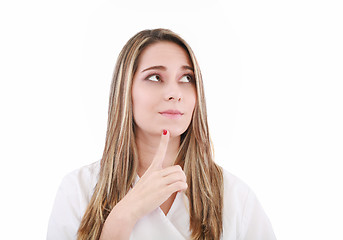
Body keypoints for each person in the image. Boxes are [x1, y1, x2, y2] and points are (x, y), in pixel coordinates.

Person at [47, 28, 276, 240]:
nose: (175, 93)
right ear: (126, 91)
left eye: (187, 78)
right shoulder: (77, 191)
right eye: (155, 77)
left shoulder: (236, 198)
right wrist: (122, 218)